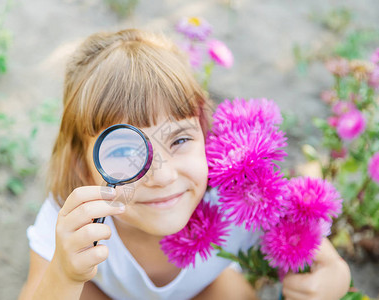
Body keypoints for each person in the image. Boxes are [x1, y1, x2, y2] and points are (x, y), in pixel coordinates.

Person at [18, 29, 351, 300]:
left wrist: (336, 276)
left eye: (179, 140)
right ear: (82, 166)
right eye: (124, 153)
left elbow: (321, 257)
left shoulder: (244, 199)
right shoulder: (70, 222)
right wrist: (64, 273)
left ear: (206, 138)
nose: (161, 176)